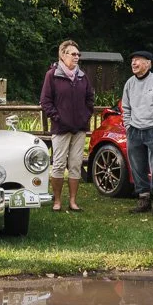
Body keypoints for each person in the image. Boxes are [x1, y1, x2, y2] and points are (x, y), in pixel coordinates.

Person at [40, 39, 95, 212]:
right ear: (63, 55)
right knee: (58, 164)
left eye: (78, 54)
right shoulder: (52, 75)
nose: (77, 57)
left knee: (75, 164)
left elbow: (90, 99)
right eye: (73, 54)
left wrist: (85, 116)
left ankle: (73, 201)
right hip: (61, 128)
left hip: (79, 129)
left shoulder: (82, 76)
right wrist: (58, 118)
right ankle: (57, 201)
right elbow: (45, 101)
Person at [121, 50, 153, 217]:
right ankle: (143, 198)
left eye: (137, 60)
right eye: (132, 61)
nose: (133, 63)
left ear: (148, 63)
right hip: (134, 131)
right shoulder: (129, 83)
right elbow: (126, 107)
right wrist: (128, 126)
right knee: (137, 167)